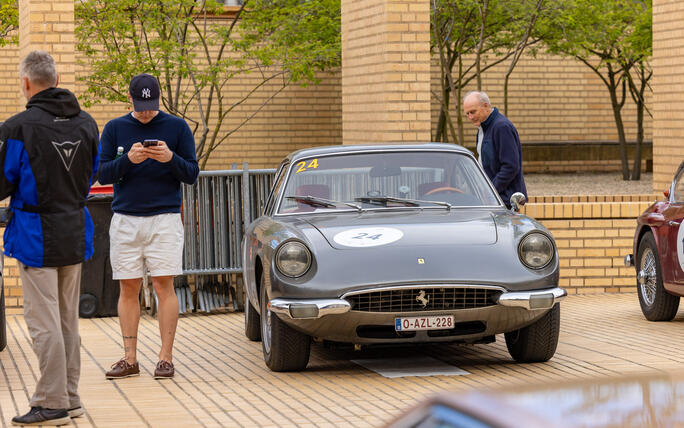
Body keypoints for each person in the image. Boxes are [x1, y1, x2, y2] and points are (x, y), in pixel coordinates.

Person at [0, 51, 99, 426]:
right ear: (55, 79)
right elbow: (91, 174)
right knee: (67, 320)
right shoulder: (88, 123)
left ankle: (51, 401)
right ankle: (70, 397)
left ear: (26, 83)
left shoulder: (17, 128)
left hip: (35, 236)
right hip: (74, 229)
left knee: (43, 322)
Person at [98, 73, 199, 380]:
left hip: (164, 219)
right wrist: (128, 160)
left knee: (162, 285)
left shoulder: (177, 127)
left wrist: (170, 158)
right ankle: (130, 359)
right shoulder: (115, 128)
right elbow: (103, 174)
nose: (146, 111)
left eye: (151, 105)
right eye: (141, 105)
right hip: (126, 219)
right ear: (130, 99)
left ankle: (165, 358)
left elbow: (192, 173)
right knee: (128, 287)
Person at [462, 91, 527, 207]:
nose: (470, 117)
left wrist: (490, 190)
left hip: (506, 201)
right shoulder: (483, 129)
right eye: (467, 114)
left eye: (473, 112)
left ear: (486, 106)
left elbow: (511, 166)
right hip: (493, 199)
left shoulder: (501, 127)